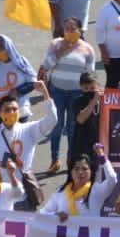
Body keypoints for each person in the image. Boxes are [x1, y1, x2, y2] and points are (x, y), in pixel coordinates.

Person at [39, 18, 96, 173]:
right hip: (57, 90)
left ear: (80, 30)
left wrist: (89, 92)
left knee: (72, 128)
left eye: (73, 28)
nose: (69, 31)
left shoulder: (87, 49)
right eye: (66, 28)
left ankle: (72, 160)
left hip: (76, 93)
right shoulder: (55, 44)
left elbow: (90, 73)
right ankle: (54, 160)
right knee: (56, 126)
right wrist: (60, 52)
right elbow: (46, 65)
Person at [0, 87, 58, 179]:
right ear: (0, 114)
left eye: (14, 109)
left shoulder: (29, 130)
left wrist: (45, 93)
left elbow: (52, 120)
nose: (11, 112)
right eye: (7, 110)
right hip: (0, 187)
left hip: (24, 186)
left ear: (19, 112)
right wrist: (0, 164)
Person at [0, 34, 38, 125]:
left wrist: (18, 91)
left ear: (8, 47)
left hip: (19, 109)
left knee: (19, 138)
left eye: (2, 47)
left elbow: (33, 82)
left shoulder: (21, 62)